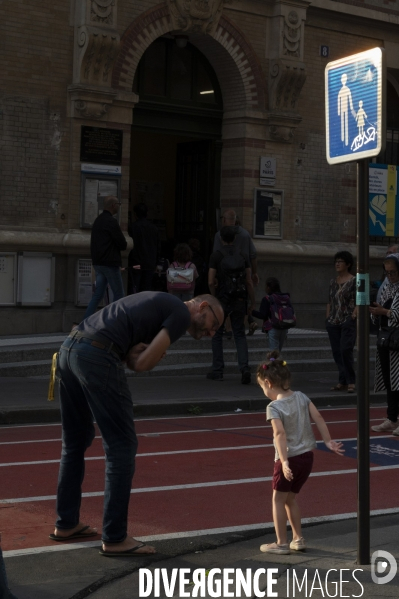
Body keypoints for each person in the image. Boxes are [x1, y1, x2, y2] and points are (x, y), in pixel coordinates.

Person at [51, 292, 223, 556]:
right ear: (202, 306)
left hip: (69, 349)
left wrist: (135, 355)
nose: (212, 333)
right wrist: (143, 358)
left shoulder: (158, 302)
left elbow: (128, 350)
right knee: (122, 446)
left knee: (75, 442)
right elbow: (141, 363)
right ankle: (115, 537)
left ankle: (66, 524)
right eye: (214, 323)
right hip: (96, 356)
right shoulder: (179, 312)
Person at [257, 351, 344, 555]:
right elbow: (319, 417)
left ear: (268, 383)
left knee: (278, 500)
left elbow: (279, 433)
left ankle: (280, 543)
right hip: (307, 457)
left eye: (262, 387)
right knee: (290, 499)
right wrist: (328, 441)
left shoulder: (273, 407)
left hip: (288, 459)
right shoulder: (302, 397)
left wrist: (284, 462)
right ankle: (298, 538)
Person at [207, 226, 255, 384]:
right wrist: (252, 301)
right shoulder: (243, 255)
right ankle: (244, 368)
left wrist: (214, 299)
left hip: (222, 299)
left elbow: (210, 281)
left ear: (221, 239)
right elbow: (248, 281)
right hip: (239, 299)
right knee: (239, 334)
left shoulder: (216, 256)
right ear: (234, 238)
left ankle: (218, 370)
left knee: (217, 334)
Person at [84, 196, 127, 319]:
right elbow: (122, 243)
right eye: (118, 203)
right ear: (113, 205)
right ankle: (113, 322)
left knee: (98, 295)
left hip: (98, 263)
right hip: (110, 263)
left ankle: (84, 322)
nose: (119, 206)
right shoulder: (111, 222)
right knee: (119, 294)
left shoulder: (98, 220)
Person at [370, 253, 399, 435]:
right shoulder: (386, 288)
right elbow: (379, 314)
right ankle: (392, 418)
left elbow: (395, 314)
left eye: (393, 272)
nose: (390, 276)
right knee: (390, 380)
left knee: (398, 380)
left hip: (397, 340)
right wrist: (376, 312)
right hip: (387, 339)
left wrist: (384, 312)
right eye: (387, 273)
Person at [325, 251, 357, 393]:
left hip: (347, 319)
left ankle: (351, 381)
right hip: (333, 321)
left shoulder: (355, 280)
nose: (337, 264)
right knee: (337, 352)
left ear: (348, 264)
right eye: (336, 261)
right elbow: (329, 301)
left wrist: (354, 314)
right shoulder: (333, 282)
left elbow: (360, 299)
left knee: (345, 349)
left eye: (340, 261)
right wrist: (327, 319)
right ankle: (342, 381)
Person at [252, 277, 293, 351]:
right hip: (284, 327)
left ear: (268, 287)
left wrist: (252, 312)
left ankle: (274, 362)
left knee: (274, 353)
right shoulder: (285, 297)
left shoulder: (267, 299)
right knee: (278, 351)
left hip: (273, 327)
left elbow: (263, 315)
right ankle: (278, 362)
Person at [128, 202, 159, 294]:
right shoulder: (154, 228)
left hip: (136, 263)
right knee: (146, 290)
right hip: (150, 263)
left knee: (134, 289)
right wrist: (156, 262)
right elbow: (158, 247)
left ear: (135, 214)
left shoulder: (132, 227)